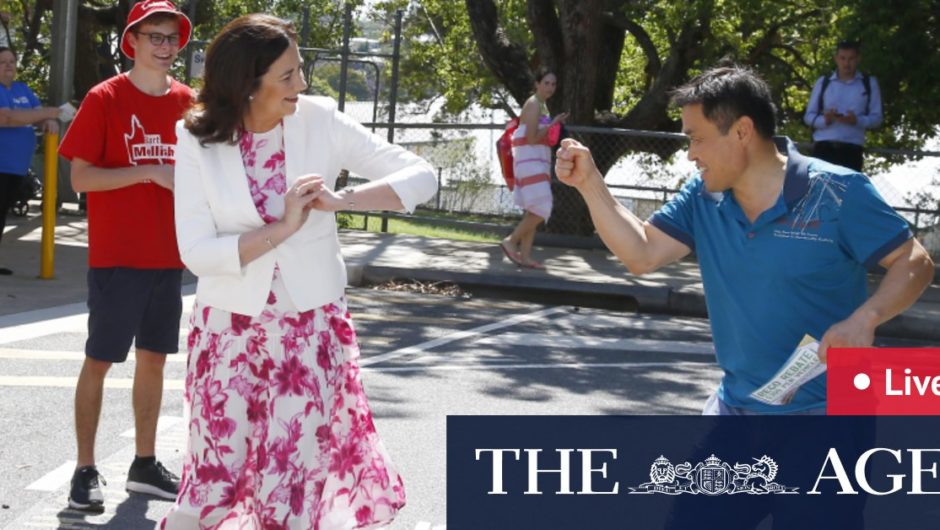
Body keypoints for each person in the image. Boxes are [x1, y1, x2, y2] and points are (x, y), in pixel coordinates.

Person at [157, 14, 436, 529]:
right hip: (227, 335)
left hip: (309, 333)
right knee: (210, 486)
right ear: (247, 82)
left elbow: (423, 176)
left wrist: (340, 199)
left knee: (287, 489)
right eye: (287, 76)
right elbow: (196, 251)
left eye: (300, 71)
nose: (301, 85)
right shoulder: (195, 136)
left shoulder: (319, 119)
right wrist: (283, 227)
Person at [555, 65, 933, 415]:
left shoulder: (839, 191)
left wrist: (867, 318)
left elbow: (914, 261)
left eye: (697, 139)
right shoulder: (702, 196)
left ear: (741, 131)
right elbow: (642, 253)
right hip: (734, 407)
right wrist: (589, 184)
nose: (690, 154)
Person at [57, 0, 194, 512]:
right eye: (154, 36)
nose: (164, 46)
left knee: (154, 359)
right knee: (100, 361)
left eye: (171, 37)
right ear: (131, 41)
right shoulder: (105, 98)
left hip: (169, 255)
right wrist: (148, 173)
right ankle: (85, 468)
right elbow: (82, 177)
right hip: (118, 256)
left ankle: (144, 463)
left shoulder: (189, 102)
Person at [0, 46, 61, 275]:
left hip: (16, 166)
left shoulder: (22, 89)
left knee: (2, 213)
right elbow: (7, 118)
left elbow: (40, 115)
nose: (8, 65)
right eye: (2, 61)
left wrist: (48, 120)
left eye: (11, 61)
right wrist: (48, 113)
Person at [499, 67, 567, 269]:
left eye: (553, 84)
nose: (550, 87)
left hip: (538, 161)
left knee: (534, 208)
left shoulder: (542, 105)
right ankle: (511, 241)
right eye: (546, 83)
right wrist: (553, 123)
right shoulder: (533, 104)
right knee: (542, 208)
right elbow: (531, 138)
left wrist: (553, 125)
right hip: (530, 162)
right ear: (537, 84)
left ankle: (525, 256)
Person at [803, 40, 882, 172]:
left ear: (858, 59)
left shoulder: (869, 83)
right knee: (821, 191)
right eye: (843, 58)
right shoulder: (824, 82)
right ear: (836, 59)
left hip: (852, 149)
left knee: (847, 191)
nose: (846, 63)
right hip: (824, 147)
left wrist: (857, 121)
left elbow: (877, 118)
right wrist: (825, 120)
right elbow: (808, 116)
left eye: (851, 59)